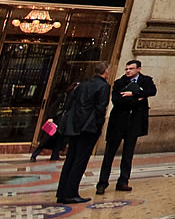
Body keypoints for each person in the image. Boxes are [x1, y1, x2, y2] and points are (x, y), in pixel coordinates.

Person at [96, 59, 157, 195]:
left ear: (138, 69)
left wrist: (133, 94)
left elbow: (151, 91)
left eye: (131, 69)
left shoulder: (146, 81)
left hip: (134, 123)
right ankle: (102, 183)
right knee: (109, 154)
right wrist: (138, 98)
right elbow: (117, 100)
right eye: (127, 69)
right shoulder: (119, 82)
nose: (128, 71)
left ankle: (123, 181)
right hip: (118, 122)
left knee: (128, 154)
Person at [55, 62, 110, 204]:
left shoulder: (82, 85)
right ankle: (71, 193)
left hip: (74, 126)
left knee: (70, 159)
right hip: (89, 127)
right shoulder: (103, 86)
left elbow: (70, 104)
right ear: (106, 72)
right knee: (80, 161)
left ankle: (62, 193)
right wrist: (98, 126)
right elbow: (100, 108)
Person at [31, 82, 77, 162]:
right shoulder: (64, 96)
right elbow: (54, 106)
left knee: (59, 139)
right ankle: (35, 154)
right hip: (57, 119)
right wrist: (51, 117)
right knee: (47, 138)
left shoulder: (75, 99)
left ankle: (55, 155)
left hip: (64, 121)